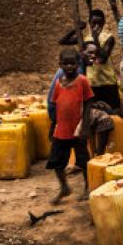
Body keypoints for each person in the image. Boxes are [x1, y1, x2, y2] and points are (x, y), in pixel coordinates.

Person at [47, 48, 94, 204]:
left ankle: (88, 188)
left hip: (77, 129)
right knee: (56, 161)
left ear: (77, 64)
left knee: (83, 160)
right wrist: (52, 126)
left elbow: (88, 104)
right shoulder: (59, 84)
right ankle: (64, 187)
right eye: (65, 64)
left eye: (72, 63)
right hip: (61, 129)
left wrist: (85, 126)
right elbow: (56, 105)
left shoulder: (82, 81)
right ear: (60, 65)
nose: (69, 67)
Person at [59, 9, 120, 110]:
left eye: (99, 23)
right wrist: (75, 29)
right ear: (89, 23)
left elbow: (103, 58)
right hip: (92, 83)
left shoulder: (109, 38)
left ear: (104, 23)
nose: (96, 25)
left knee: (113, 112)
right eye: (94, 23)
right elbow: (62, 41)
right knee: (95, 112)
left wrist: (95, 39)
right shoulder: (85, 39)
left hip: (107, 82)